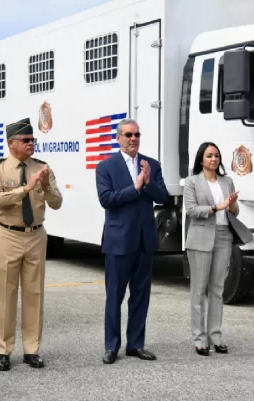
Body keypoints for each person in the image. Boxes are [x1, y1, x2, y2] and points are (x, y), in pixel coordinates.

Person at [0, 117, 63, 371]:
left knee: (34, 294)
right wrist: (24, 189)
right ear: (11, 143)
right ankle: (4, 350)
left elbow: (57, 202)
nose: (31, 144)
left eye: (32, 140)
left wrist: (44, 187)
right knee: (5, 295)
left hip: (36, 235)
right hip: (8, 234)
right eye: (26, 140)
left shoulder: (42, 167)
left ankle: (32, 349)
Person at [95, 118, 169, 364]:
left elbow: (164, 197)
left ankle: (135, 344)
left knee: (140, 296)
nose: (133, 139)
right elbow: (106, 199)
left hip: (144, 241)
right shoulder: (106, 167)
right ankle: (111, 346)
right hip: (118, 241)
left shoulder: (151, 165)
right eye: (128, 135)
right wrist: (135, 188)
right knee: (114, 296)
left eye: (136, 135)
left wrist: (147, 184)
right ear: (118, 138)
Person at [183, 142, 254, 356]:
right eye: (209, 156)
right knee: (199, 290)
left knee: (217, 289)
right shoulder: (192, 181)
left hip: (223, 236)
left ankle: (216, 335)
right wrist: (217, 207)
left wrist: (231, 205)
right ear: (201, 159)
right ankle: (199, 338)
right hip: (201, 236)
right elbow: (192, 210)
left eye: (216, 155)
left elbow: (234, 211)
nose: (213, 159)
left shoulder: (227, 181)